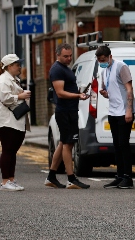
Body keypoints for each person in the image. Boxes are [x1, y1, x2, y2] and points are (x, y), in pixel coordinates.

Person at [45, 44, 90, 189]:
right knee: (68, 144)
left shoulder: (65, 68)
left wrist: (79, 92)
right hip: (65, 112)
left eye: (70, 55)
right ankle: (71, 178)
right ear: (58, 55)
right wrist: (78, 95)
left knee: (62, 143)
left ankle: (51, 176)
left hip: (69, 110)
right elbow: (60, 93)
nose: (69, 58)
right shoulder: (57, 69)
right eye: (66, 56)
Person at [96, 45, 135, 189]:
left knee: (123, 144)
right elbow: (112, 90)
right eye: (99, 60)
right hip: (113, 111)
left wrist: (129, 110)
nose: (101, 62)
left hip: (124, 111)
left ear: (110, 57)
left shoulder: (121, 67)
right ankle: (119, 176)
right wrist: (105, 93)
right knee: (116, 145)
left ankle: (128, 177)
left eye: (103, 59)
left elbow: (129, 89)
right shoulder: (104, 71)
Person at [0, 54, 31, 191]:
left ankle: (11, 179)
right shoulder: (3, 80)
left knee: (12, 151)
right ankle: (5, 182)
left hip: (14, 120)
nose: (19, 67)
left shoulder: (13, 79)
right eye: (17, 65)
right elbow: (6, 98)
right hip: (6, 120)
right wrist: (20, 96)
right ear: (9, 66)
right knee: (8, 150)